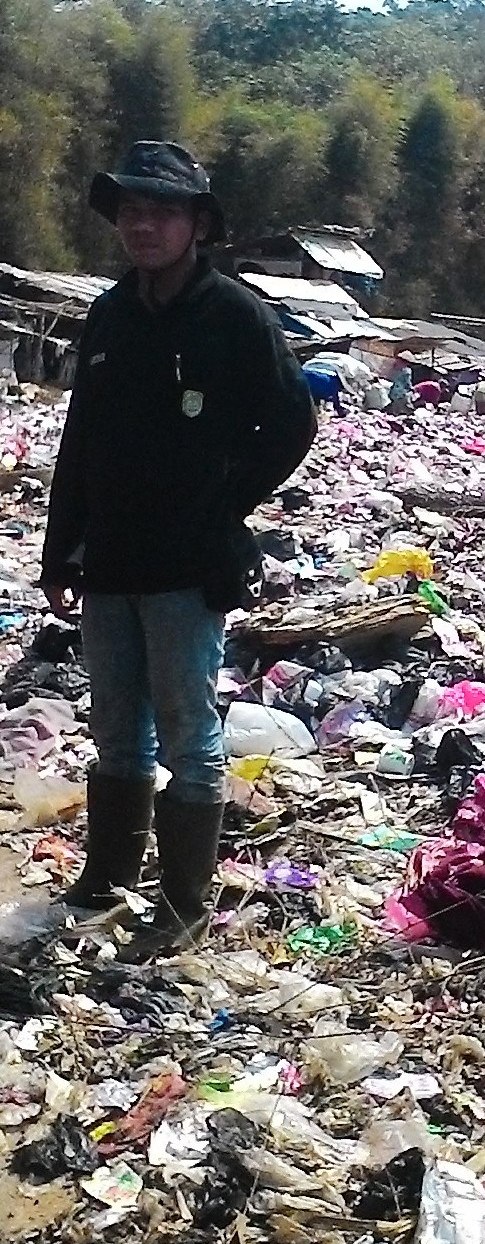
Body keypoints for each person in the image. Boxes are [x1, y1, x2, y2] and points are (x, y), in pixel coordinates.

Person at [43, 142, 316, 960]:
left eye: (160, 211)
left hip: (188, 567)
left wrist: (224, 504)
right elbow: (79, 439)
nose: (142, 225)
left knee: (189, 732)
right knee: (116, 733)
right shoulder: (111, 314)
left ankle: (184, 903)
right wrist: (61, 552)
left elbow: (293, 425)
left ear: (198, 224)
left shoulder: (236, 315)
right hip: (111, 561)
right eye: (130, 210)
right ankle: (106, 878)